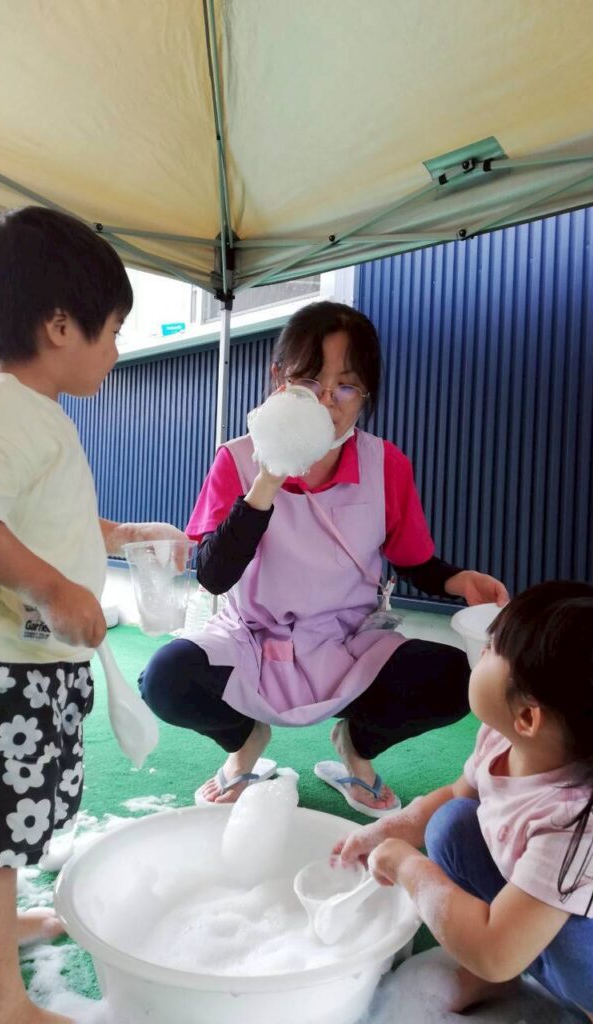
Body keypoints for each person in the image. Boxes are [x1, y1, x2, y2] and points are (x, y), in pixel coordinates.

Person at [0, 207, 188, 1024]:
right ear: (60, 325)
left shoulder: (39, 415)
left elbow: (49, 519)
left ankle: (3, 929)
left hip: (30, 667)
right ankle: (1, 1003)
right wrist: (48, 588)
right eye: (112, 332)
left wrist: (123, 534)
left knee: (15, 822)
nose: (116, 351)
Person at [139, 301, 508, 815]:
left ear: (365, 395)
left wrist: (458, 580)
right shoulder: (237, 459)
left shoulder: (385, 464)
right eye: (309, 382)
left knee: (453, 678)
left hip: (348, 641)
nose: (327, 401)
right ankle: (246, 741)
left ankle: (356, 746)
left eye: (346, 386)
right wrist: (269, 477)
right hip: (251, 638)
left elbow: (414, 561)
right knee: (165, 679)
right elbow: (215, 575)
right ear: (279, 380)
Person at [335, 581, 593, 1023]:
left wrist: (407, 866)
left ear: (527, 715)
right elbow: (454, 796)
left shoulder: (582, 824)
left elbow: (495, 953)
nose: (480, 653)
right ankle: (514, 970)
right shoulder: (505, 740)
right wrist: (383, 832)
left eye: (490, 649)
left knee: (587, 931)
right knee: (451, 823)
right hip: (543, 931)